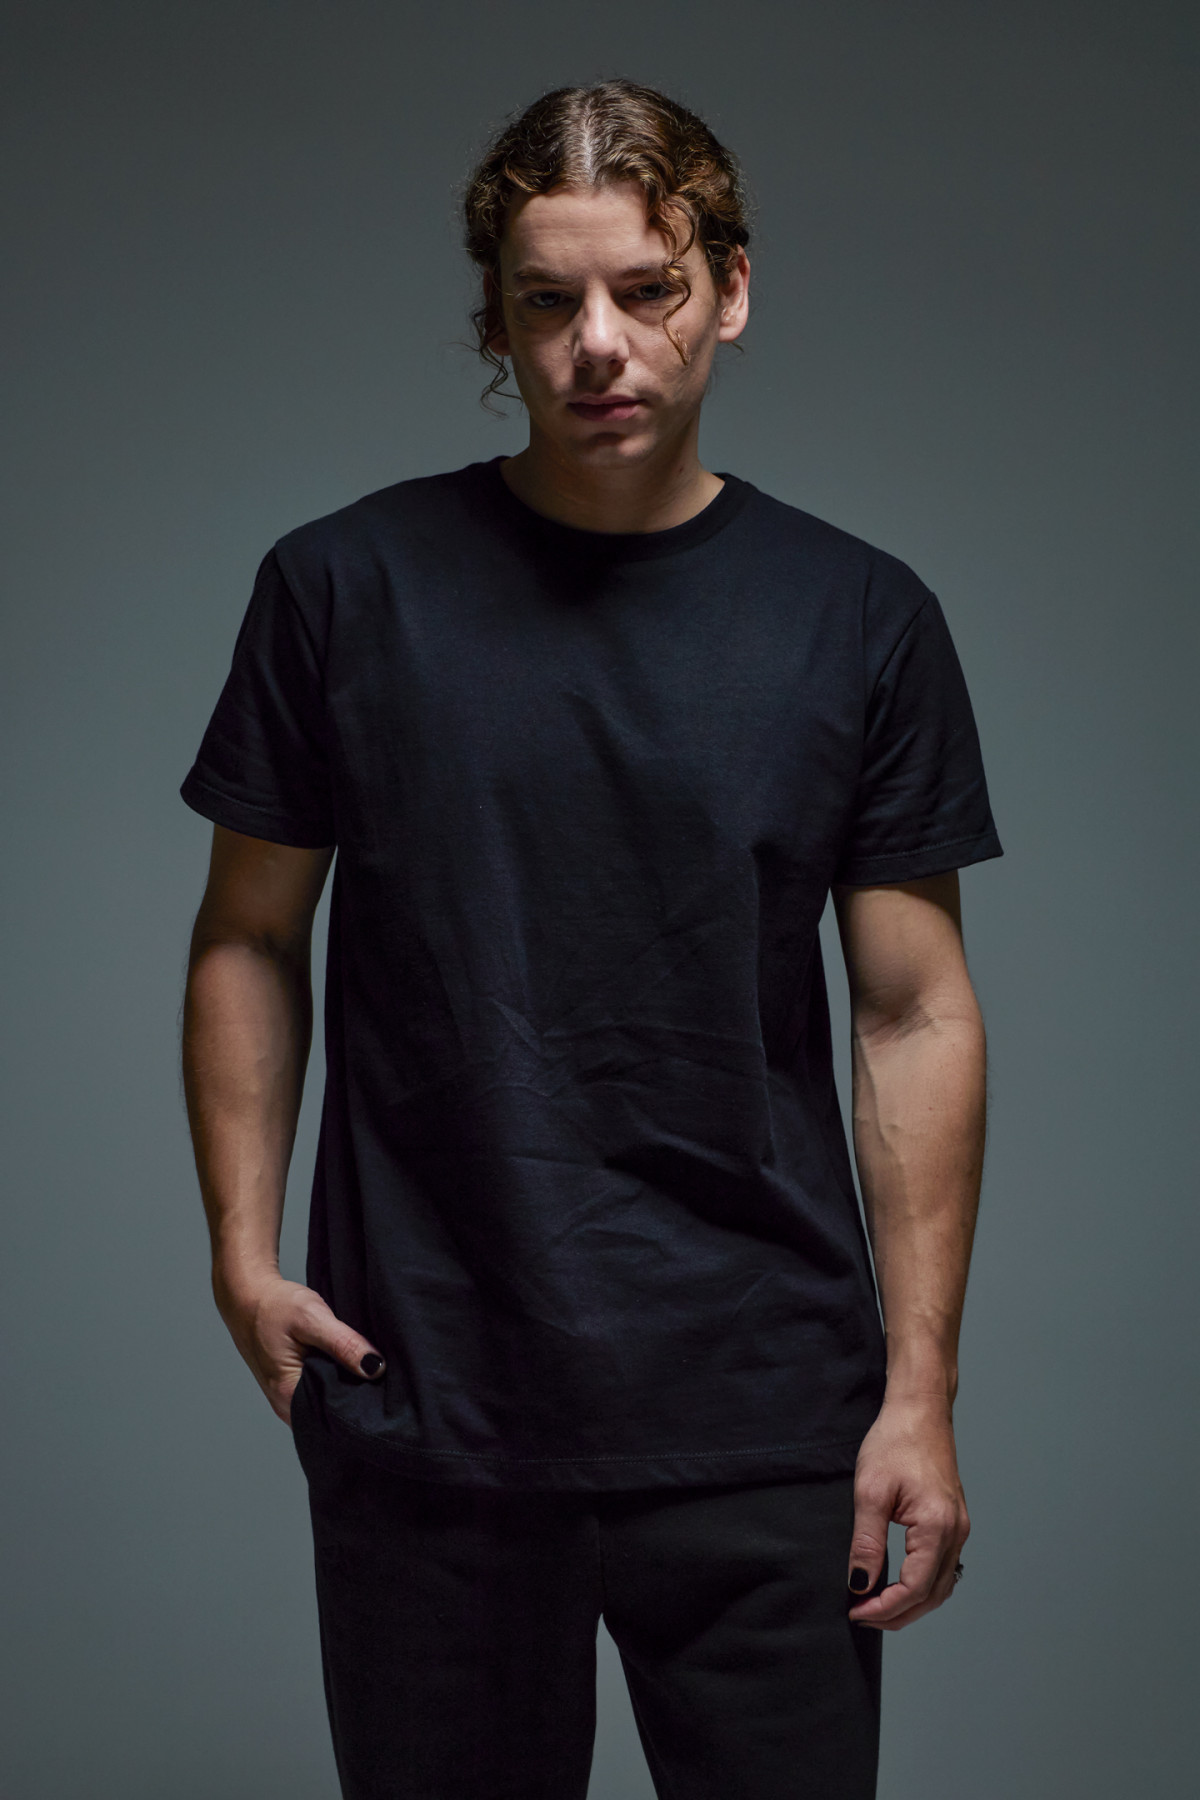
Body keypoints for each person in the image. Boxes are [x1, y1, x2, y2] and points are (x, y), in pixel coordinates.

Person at [180, 78, 1001, 1800]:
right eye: (548, 301)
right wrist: (242, 1258)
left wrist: (918, 1391)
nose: (600, 345)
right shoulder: (343, 588)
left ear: (733, 289)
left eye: (649, 289)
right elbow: (250, 934)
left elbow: (914, 1011)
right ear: (496, 316)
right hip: (431, 1395)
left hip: (769, 1411)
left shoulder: (859, 617)